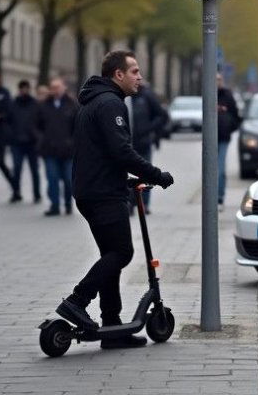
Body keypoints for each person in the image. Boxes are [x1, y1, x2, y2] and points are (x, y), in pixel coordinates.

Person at [56, 50, 173, 348]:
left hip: (92, 188)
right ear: (118, 74)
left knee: (111, 255)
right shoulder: (110, 104)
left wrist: (125, 178)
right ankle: (77, 300)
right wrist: (156, 174)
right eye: (134, 71)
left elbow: (101, 152)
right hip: (102, 194)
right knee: (121, 253)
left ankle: (112, 326)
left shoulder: (95, 101)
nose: (140, 77)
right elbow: (121, 151)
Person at [36, 78, 79, 216]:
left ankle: (67, 204)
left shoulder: (72, 104)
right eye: (52, 87)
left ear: (64, 88)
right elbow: (36, 125)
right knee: (52, 178)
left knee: (68, 179)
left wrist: (72, 142)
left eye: (57, 87)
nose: (55, 90)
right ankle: (54, 205)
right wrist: (41, 139)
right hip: (49, 150)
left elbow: (78, 127)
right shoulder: (44, 105)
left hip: (68, 151)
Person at [129, 83, 169, 213]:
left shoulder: (147, 96)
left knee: (145, 172)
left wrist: (148, 129)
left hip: (143, 142)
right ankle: (130, 203)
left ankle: (144, 204)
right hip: (128, 143)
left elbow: (161, 116)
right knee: (128, 174)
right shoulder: (125, 97)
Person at [9, 80, 41, 204]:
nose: (24, 90)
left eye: (26, 88)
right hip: (16, 142)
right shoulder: (13, 104)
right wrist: (11, 135)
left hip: (32, 142)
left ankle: (37, 194)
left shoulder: (35, 104)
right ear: (19, 89)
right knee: (17, 169)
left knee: (35, 170)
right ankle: (16, 192)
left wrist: (37, 137)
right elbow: (9, 121)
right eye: (22, 88)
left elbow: (40, 122)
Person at [217, 73, 241, 208]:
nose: (217, 82)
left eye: (219, 79)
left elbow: (236, 116)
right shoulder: (207, 95)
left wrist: (229, 127)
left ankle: (220, 198)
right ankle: (211, 197)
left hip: (224, 138)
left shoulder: (227, 95)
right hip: (210, 139)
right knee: (210, 170)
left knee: (220, 169)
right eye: (214, 79)